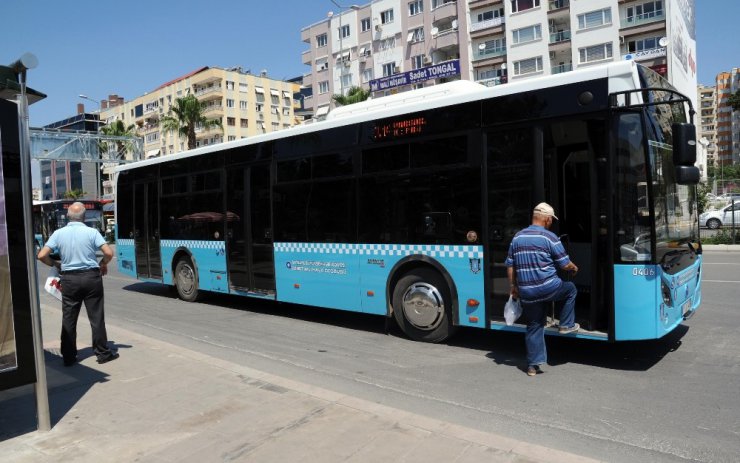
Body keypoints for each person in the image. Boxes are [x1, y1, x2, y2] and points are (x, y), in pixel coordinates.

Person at [37, 202, 118, 366]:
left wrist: (56, 264)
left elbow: (42, 255)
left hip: (69, 280)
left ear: (68, 216)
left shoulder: (58, 233)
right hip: (91, 278)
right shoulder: (92, 232)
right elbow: (109, 252)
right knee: (96, 317)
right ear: (84, 216)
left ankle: (68, 356)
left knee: (69, 318)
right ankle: (103, 354)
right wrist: (103, 264)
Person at [505, 202, 579, 377]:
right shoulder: (549, 237)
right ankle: (566, 325)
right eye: (551, 220)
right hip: (549, 288)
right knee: (570, 289)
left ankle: (532, 366)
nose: (551, 223)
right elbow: (564, 264)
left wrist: (513, 287)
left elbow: (510, 266)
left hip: (527, 291)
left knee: (534, 324)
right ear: (546, 219)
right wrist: (574, 268)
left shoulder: (517, 237)